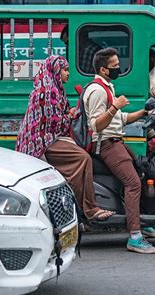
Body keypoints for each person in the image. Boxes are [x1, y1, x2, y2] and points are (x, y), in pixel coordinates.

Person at [15, 55, 114, 222]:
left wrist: (68, 115)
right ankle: (89, 209)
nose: (68, 73)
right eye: (65, 70)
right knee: (82, 158)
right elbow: (51, 122)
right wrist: (69, 116)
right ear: (55, 71)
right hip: (41, 142)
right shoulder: (47, 91)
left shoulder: (55, 88)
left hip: (49, 138)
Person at [83, 48, 155, 254]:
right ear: (103, 69)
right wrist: (114, 107)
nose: (118, 69)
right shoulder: (97, 90)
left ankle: (142, 222)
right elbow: (96, 125)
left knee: (143, 171)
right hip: (107, 144)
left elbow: (121, 119)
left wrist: (145, 112)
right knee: (133, 183)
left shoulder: (107, 86)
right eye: (115, 66)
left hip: (117, 141)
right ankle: (135, 237)